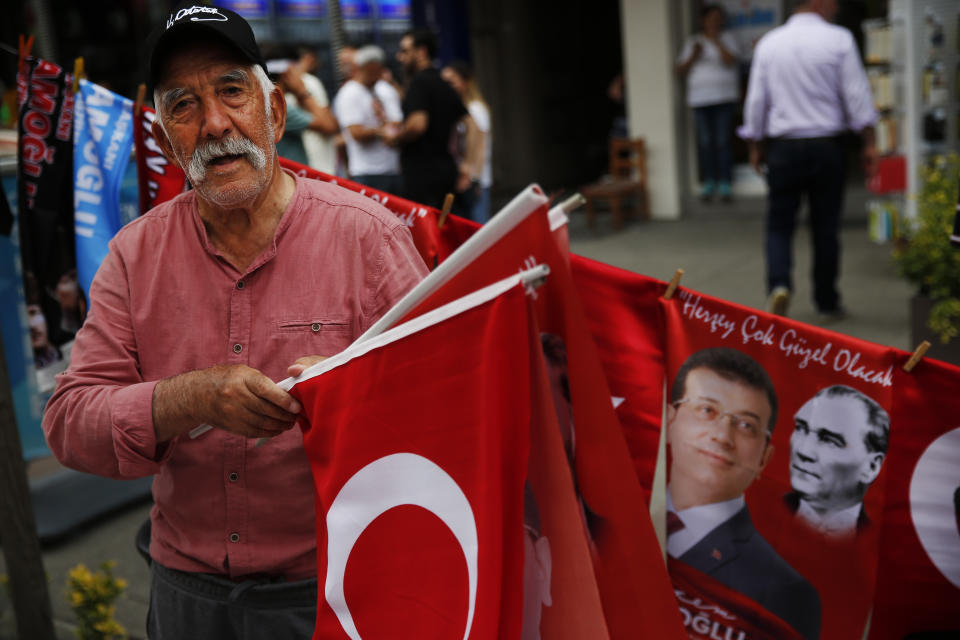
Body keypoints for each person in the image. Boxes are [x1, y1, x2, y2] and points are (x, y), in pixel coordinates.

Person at [41, 4, 427, 638]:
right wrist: (186, 398)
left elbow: (442, 409)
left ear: (274, 112)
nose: (215, 124)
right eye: (184, 105)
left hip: (335, 587)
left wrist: (350, 395)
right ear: (166, 140)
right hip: (185, 592)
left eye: (231, 91)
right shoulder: (134, 256)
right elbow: (69, 422)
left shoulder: (370, 240)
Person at [666, 347, 820, 640]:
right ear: (670, 419)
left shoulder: (786, 592)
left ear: (764, 458)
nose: (722, 437)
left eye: (746, 426)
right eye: (706, 410)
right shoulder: (611, 513)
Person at [738, 0, 877, 320]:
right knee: (825, 227)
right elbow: (856, 95)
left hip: (784, 147)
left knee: (778, 224)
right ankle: (826, 299)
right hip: (827, 146)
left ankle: (779, 284)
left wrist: (755, 144)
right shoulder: (839, 39)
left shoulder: (771, 43)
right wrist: (869, 142)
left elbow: (757, 100)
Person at [388, 28, 477, 210]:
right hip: (446, 173)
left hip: (423, 178)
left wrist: (395, 139)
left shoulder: (419, 83)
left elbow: (418, 124)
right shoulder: (442, 82)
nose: (400, 57)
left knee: (426, 234)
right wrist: (467, 164)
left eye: (405, 51)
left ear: (421, 52)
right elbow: (471, 124)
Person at [786, 385, 889, 537]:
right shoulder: (758, 509)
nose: (803, 451)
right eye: (801, 428)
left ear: (871, 467)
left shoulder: (877, 543)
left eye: (830, 440)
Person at [676, 4, 741, 203]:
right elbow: (680, 70)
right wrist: (694, 54)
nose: (714, 21)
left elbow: (731, 61)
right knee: (705, 142)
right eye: (710, 17)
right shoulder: (693, 42)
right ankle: (709, 181)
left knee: (722, 141)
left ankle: (725, 182)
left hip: (723, 97)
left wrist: (717, 42)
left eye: (718, 17)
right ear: (702, 20)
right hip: (700, 99)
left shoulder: (728, 38)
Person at [332, 45, 403, 193]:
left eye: (378, 70)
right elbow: (356, 133)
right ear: (360, 68)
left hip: (393, 168)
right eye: (371, 71)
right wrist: (382, 131)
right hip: (365, 171)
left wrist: (384, 122)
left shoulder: (386, 89)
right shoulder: (349, 93)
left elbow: (397, 123)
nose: (375, 75)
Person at [265, 44, 339, 168]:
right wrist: (302, 92)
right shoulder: (277, 107)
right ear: (288, 72)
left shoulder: (267, 102)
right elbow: (329, 125)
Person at [442, 60, 493, 223]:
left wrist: (472, 176)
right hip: (465, 180)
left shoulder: (475, 109)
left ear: (465, 82)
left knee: (478, 231)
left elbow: (480, 143)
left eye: (452, 81)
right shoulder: (459, 108)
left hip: (475, 181)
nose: (447, 86)